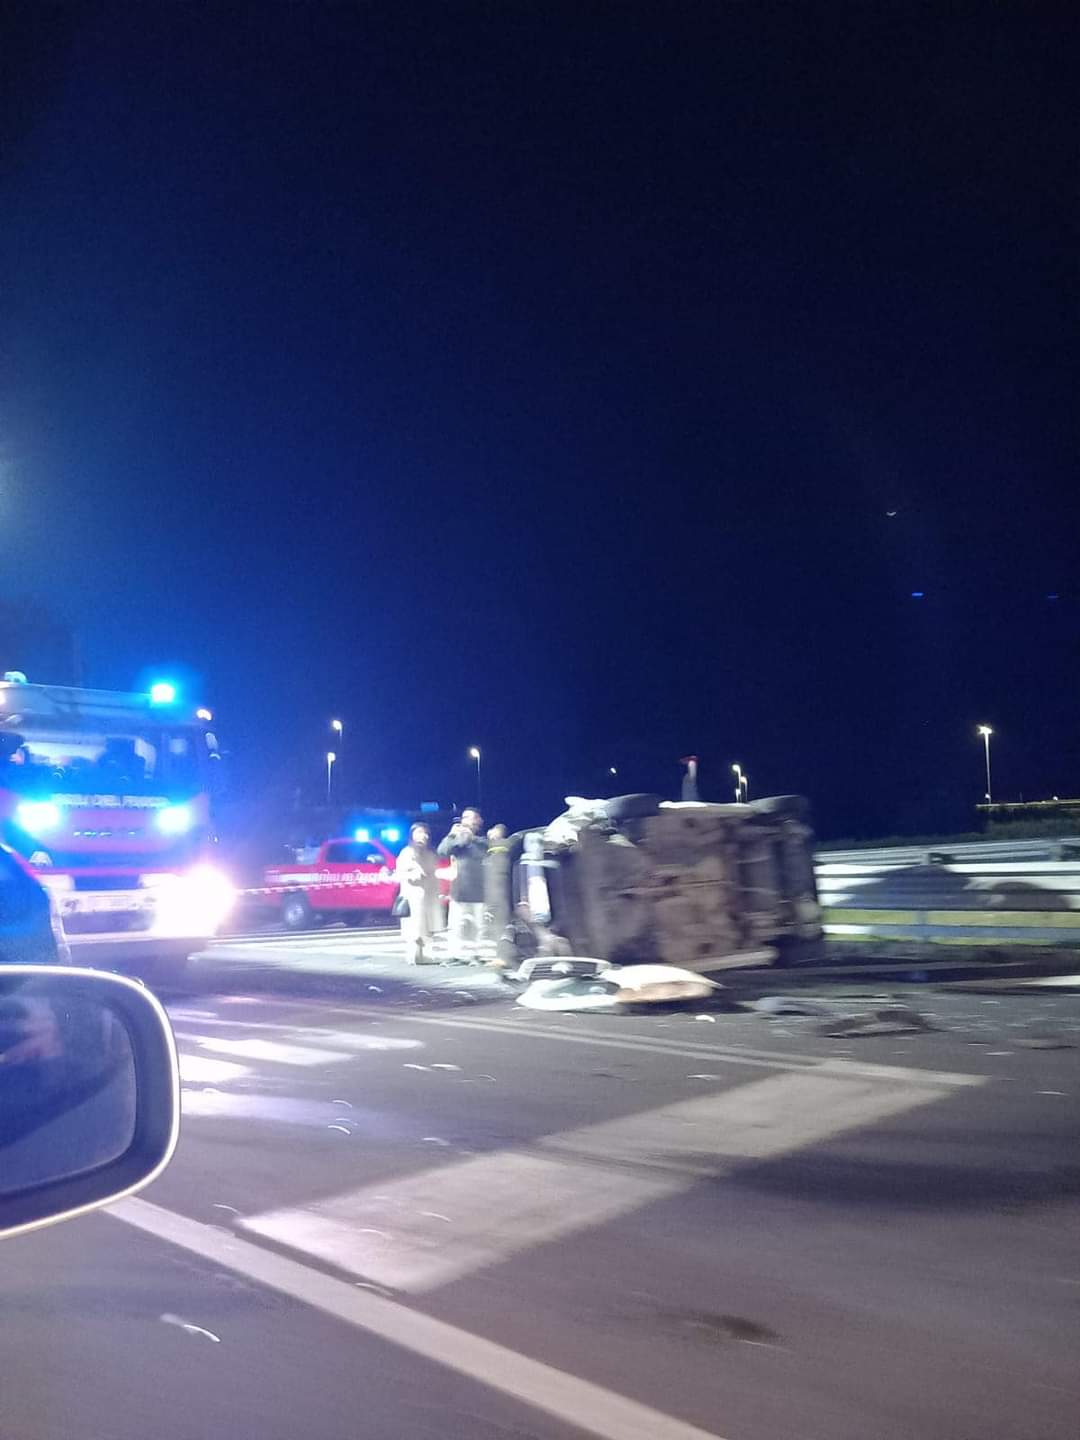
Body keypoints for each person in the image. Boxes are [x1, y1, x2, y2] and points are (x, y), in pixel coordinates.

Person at [437, 808, 488, 964]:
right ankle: (455, 954)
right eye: (463, 817)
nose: (464, 820)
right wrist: (452, 835)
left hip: (480, 890)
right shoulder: (458, 843)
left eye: (468, 817)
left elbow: (487, 850)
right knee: (456, 925)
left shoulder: (483, 841)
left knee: (478, 926)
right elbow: (442, 852)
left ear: (478, 820)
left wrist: (470, 839)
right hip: (460, 890)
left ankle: (476, 955)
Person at [394, 823, 441, 965]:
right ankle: (413, 955)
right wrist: (413, 873)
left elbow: (433, 872)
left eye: (426, 833)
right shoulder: (407, 852)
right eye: (420, 832)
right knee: (414, 926)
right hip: (413, 895)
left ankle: (423, 954)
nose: (424, 836)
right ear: (412, 835)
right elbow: (401, 873)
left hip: (429, 895)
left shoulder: (430, 853)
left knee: (426, 926)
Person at [483, 824, 513, 957]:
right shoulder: (485, 851)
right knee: (489, 922)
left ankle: (503, 954)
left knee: (501, 923)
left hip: (502, 892)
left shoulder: (506, 847)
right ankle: (492, 952)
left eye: (495, 832)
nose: (492, 834)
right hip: (488, 893)